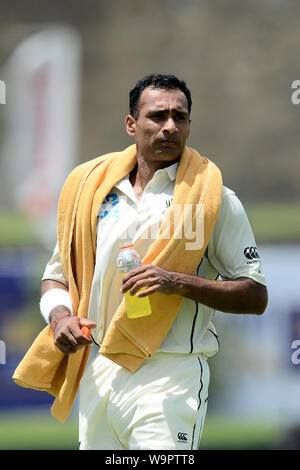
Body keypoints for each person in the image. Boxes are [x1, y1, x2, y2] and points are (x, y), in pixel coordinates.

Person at [15, 73, 268, 450]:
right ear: (131, 124)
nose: (170, 127)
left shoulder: (214, 197)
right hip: (99, 369)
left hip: (170, 372)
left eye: (179, 118)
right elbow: (56, 279)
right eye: (157, 116)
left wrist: (178, 281)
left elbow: (255, 295)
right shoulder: (93, 191)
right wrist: (61, 318)